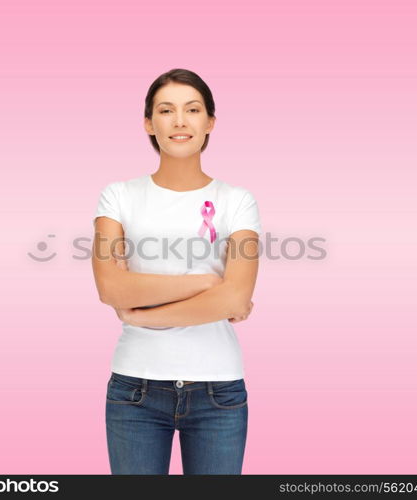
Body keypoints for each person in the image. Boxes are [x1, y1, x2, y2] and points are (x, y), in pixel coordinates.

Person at [92, 68, 262, 475]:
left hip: (218, 391)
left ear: (210, 122)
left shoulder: (237, 200)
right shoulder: (118, 196)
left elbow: (235, 298)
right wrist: (206, 284)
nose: (180, 121)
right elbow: (112, 287)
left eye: (193, 109)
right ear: (150, 123)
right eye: (166, 110)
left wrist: (142, 314)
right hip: (135, 390)